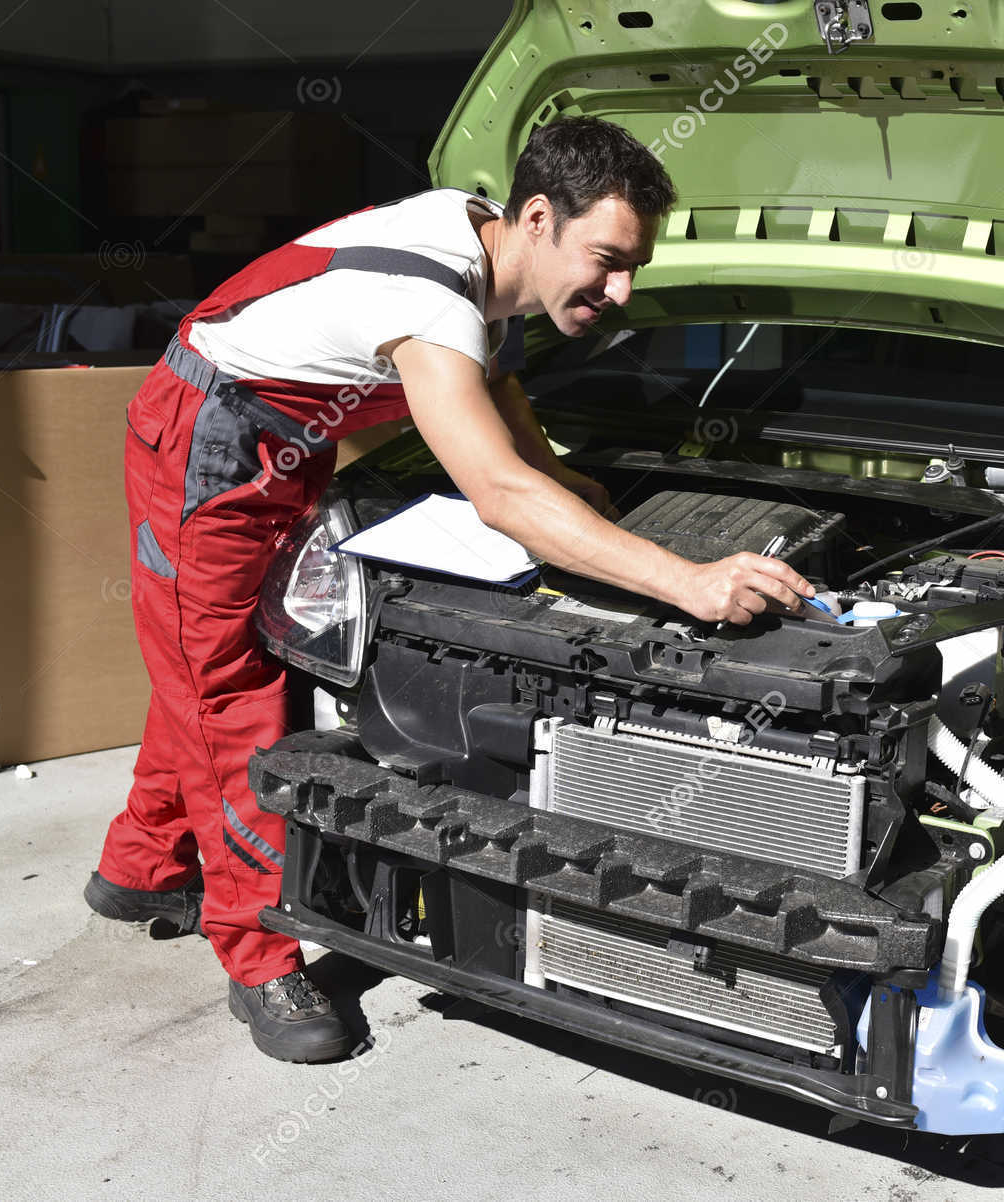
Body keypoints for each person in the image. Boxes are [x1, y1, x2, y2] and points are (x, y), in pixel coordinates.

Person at [83, 116, 814, 1061]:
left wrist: (571, 485)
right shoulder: (431, 298)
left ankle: (140, 866)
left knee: (202, 657)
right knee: (234, 694)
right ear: (541, 217)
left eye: (634, 265)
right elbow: (499, 494)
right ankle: (259, 953)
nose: (622, 289)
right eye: (606, 259)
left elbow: (501, 383)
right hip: (211, 443)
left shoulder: (486, 240)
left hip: (278, 439)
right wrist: (688, 583)